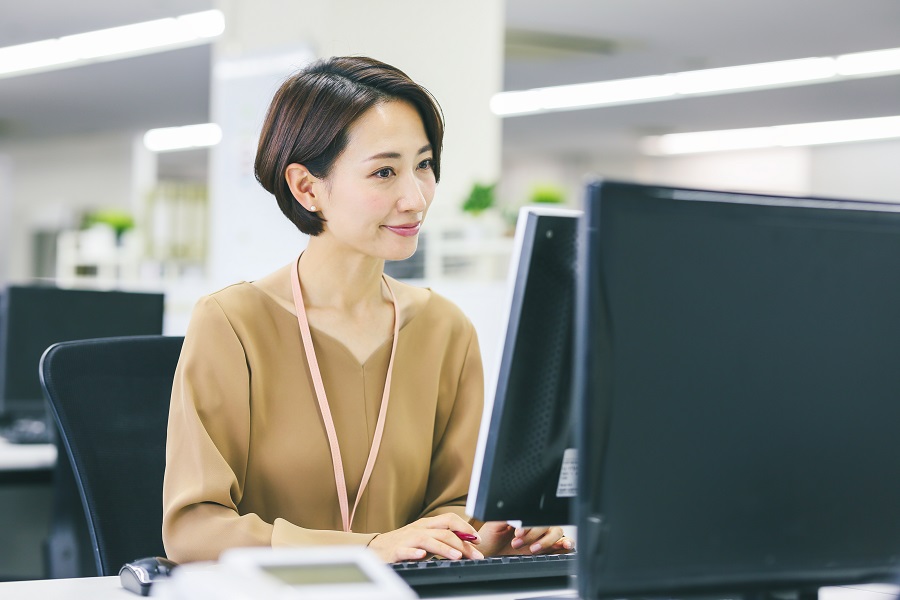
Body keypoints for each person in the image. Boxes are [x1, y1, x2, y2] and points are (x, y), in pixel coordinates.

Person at [162, 55, 573, 564]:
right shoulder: (232, 323)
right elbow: (193, 531)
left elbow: (455, 512)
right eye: (384, 171)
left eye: (423, 165)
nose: (415, 198)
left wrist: (496, 536)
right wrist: (370, 549)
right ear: (307, 187)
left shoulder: (445, 329)